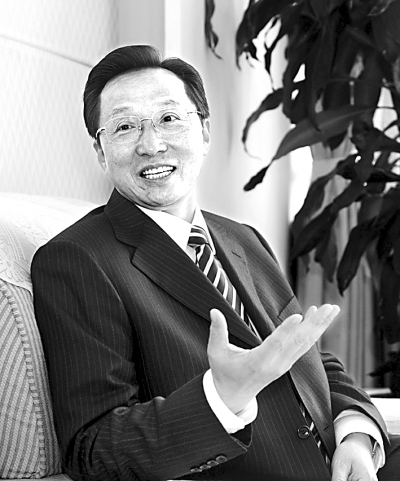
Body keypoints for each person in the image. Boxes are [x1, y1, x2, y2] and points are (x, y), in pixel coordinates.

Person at [32, 45, 399, 481]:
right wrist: (220, 398)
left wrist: (356, 437)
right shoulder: (76, 260)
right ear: (100, 150)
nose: (151, 144)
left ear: (204, 131)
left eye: (169, 118)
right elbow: (93, 451)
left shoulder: (243, 238)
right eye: (125, 126)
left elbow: (309, 357)